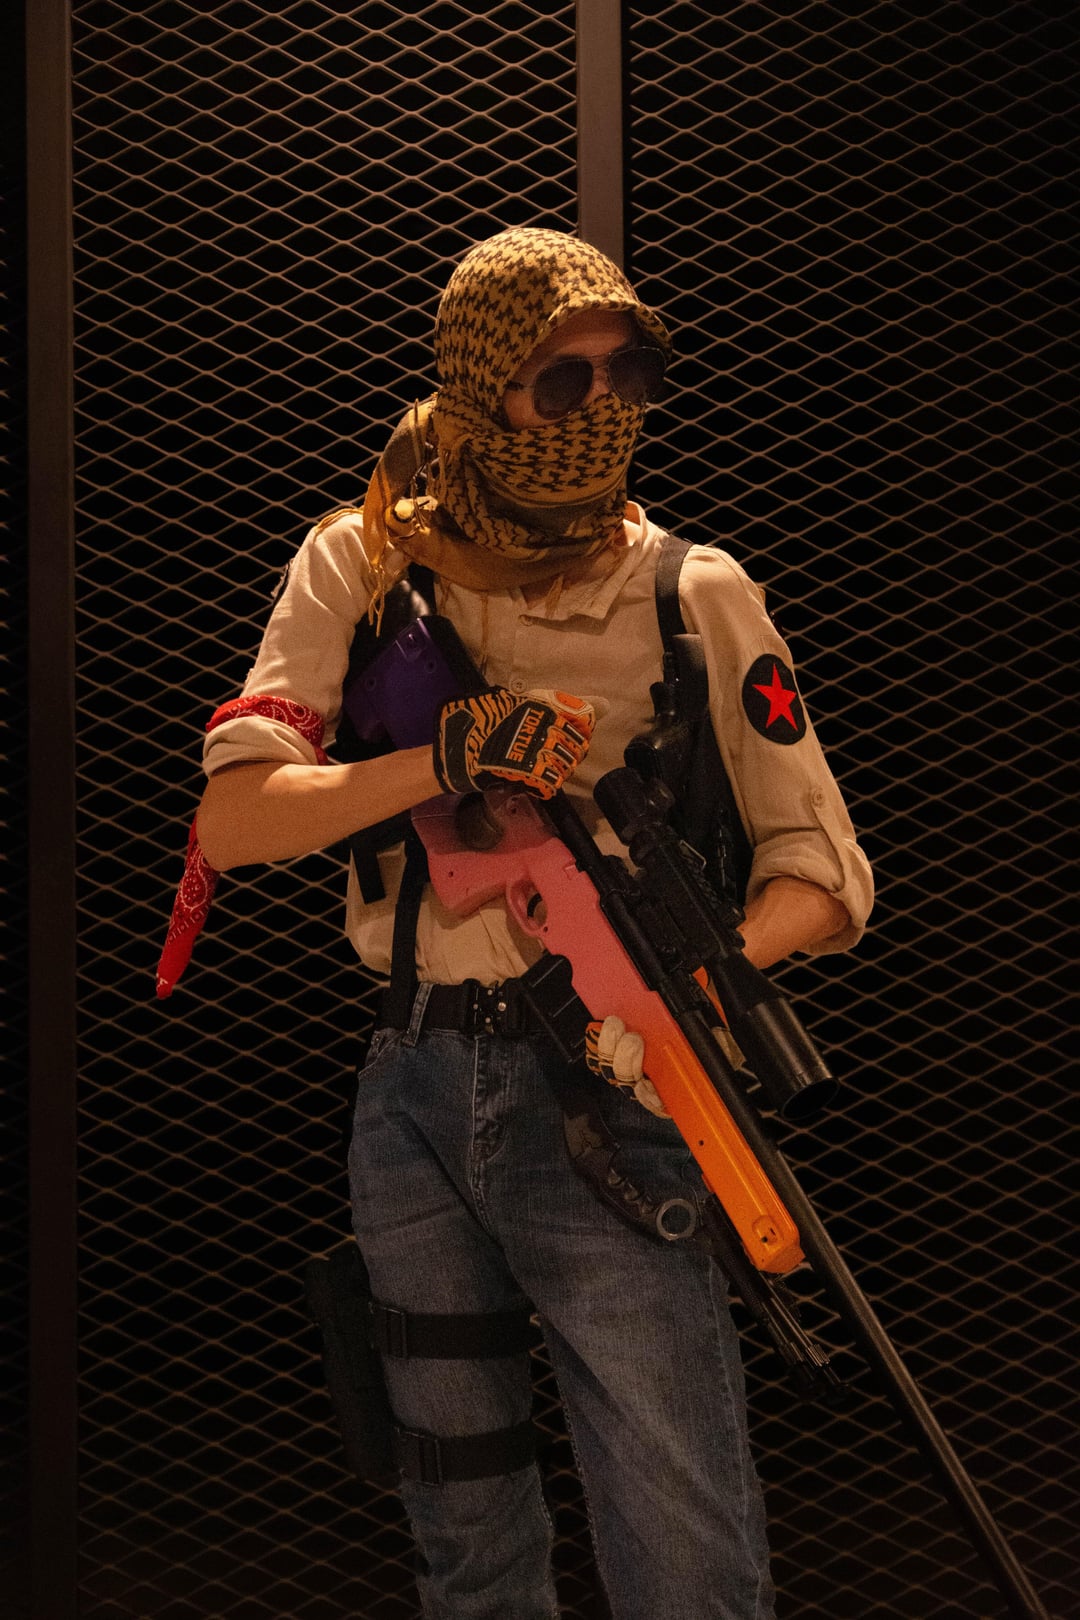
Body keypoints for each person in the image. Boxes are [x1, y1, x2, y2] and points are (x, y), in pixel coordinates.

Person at [180, 227, 873, 1620]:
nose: (601, 411)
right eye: (563, 383)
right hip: (417, 1089)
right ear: (478, 383)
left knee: (684, 1544)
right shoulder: (365, 564)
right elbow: (235, 821)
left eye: (630, 377)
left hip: (615, 1087)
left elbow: (824, 869)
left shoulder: (691, 590)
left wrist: (698, 983)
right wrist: (438, 760)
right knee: (465, 1524)